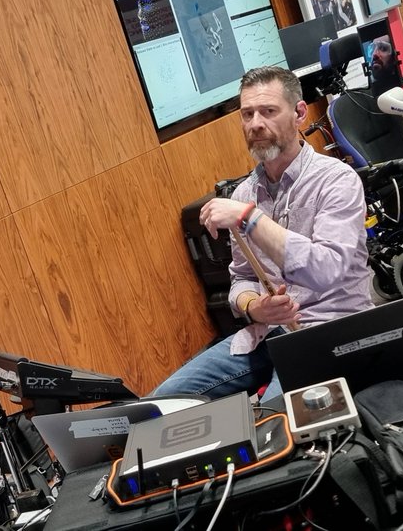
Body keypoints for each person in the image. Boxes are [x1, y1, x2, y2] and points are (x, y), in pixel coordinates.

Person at [152, 66, 372, 402]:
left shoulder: (336, 180)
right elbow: (239, 280)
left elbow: (325, 270)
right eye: (248, 114)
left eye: (268, 111)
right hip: (269, 334)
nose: (256, 124)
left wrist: (250, 218)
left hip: (331, 330)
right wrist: (255, 307)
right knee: (162, 403)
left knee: (275, 418)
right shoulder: (243, 194)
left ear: (299, 113)